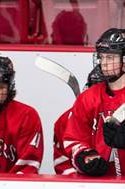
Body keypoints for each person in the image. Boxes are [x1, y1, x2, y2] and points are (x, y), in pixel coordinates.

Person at [63, 28, 125, 177]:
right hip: (99, 186)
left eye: (110, 58)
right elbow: (74, 138)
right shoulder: (88, 98)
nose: (104, 63)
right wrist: (85, 156)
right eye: (102, 57)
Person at [53, 65, 104, 175]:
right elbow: (62, 164)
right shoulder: (64, 121)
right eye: (95, 89)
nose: (99, 95)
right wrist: (80, 181)